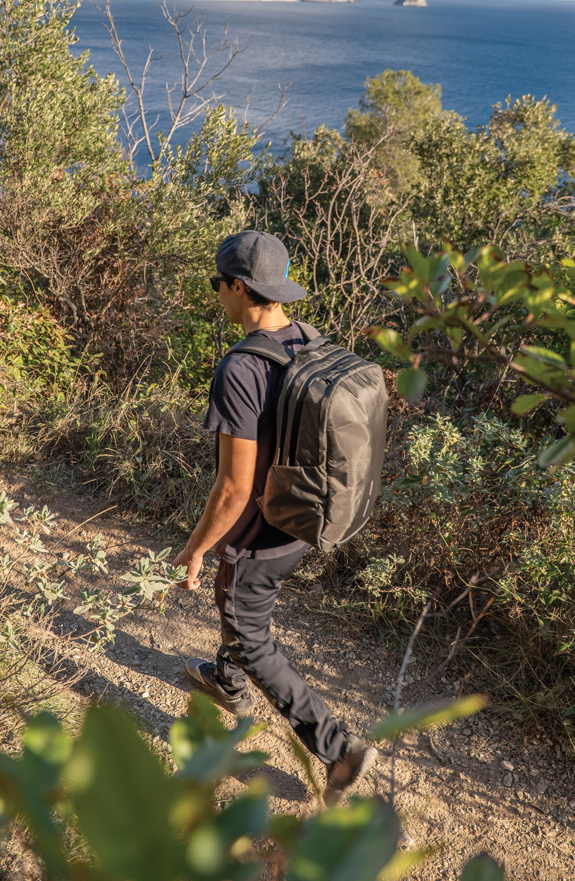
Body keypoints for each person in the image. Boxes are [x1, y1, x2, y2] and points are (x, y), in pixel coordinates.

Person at [173, 230, 377, 805]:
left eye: (219, 284)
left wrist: (195, 548)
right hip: (306, 518)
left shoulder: (240, 368)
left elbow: (235, 487)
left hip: (261, 530)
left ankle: (340, 751)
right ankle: (226, 679)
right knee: (236, 602)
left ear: (238, 287)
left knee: (247, 624)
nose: (218, 294)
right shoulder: (309, 342)